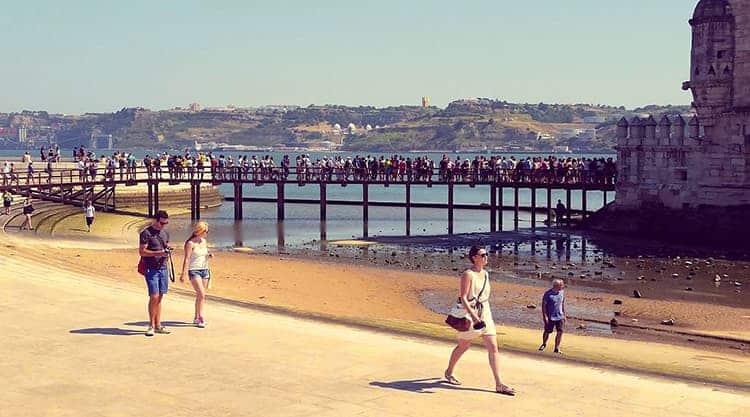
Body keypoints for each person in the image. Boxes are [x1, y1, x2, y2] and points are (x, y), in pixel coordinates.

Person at [444, 245, 515, 396]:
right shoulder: (468, 274)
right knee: (464, 346)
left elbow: (484, 296)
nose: (485, 257)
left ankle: (499, 383)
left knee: (493, 347)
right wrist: (475, 317)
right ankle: (449, 371)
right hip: (470, 314)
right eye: (482, 255)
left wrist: (481, 316)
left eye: (486, 254)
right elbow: (463, 298)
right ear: (474, 257)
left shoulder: (486, 274)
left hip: (485, 312)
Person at [138, 210, 173, 337]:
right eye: (162, 223)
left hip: (163, 267)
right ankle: (151, 325)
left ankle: (158, 324)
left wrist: (167, 252)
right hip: (150, 268)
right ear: (156, 220)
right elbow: (142, 252)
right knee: (154, 296)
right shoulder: (145, 233)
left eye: (166, 223)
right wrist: (158, 253)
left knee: (160, 297)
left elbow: (166, 246)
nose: (163, 225)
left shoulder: (165, 233)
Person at [179, 221, 213, 328]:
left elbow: (203, 255)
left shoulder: (204, 241)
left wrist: (209, 255)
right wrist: (183, 273)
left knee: (200, 296)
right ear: (200, 231)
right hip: (194, 270)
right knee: (201, 293)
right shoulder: (190, 243)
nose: (207, 233)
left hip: (204, 269)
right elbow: (187, 258)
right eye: (206, 231)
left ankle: (196, 317)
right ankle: (201, 317)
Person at [539, 278, 567, 354]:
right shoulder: (548, 294)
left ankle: (557, 348)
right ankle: (544, 344)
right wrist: (545, 316)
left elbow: (562, 304)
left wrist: (564, 315)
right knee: (547, 331)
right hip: (550, 317)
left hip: (560, 316)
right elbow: (543, 306)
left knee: (560, 332)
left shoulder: (562, 292)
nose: (563, 286)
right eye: (561, 285)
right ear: (556, 285)